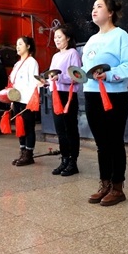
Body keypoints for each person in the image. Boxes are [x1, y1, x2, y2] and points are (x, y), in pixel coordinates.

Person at [83, 0, 128, 206]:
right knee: (101, 143)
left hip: (113, 95)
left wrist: (109, 75)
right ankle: (104, 184)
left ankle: (117, 187)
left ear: (111, 12)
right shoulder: (91, 40)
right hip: (91, 93)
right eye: (93, 7)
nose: (94, 10)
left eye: (99, 6)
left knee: (114, 141)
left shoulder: (121, 36)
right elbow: (85, 67)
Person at [48, 25, 82, 176]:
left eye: (59, 37)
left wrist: (59, 77)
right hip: (56, 94)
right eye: (55, 37)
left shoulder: (73, 53)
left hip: (68, 95)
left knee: (70, 129)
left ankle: (73, 162)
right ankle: (64, 159)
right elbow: (52, 76)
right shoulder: (55, 56)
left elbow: (77, 76)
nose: (56, 40)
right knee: (60, 130)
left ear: (68, 38)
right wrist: (46, 82)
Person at [9, 36, 39, 166]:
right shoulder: (17, 64)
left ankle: (29, 154)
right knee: (20, 126)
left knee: (28, 127)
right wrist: (12, 100)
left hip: (27, 101)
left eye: (20, 44)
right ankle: (22, 151)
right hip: (17, 100)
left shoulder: (32, 62)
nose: (17, 47)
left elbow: (35, 83)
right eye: (16, 44)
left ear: (28, 46)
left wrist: (33, 100)